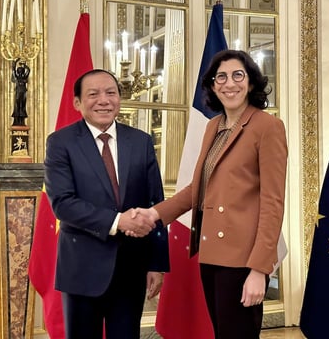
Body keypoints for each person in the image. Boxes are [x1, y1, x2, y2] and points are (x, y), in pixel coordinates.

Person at [133, 49, 288, 339]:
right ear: (213, 86)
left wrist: (259, 269)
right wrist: (154, 214)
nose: (230, 83)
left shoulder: (268, 127)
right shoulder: (214, 126)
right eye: (221, 77)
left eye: (238, 75)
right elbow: (198, 188)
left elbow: (273, 202)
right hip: (211, 254)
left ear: (251, 82)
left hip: (243, 259)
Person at [44, 68, 169, 339]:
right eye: (93, 94)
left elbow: (155, 203)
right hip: (81, 269)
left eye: (111, 93)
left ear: (119, 99)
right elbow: (63, 204)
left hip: (131, 270)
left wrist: (156, 264)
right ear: (77, 102)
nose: (104, 100)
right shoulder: (60, 143)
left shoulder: (141, 141)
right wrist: (117, 221)